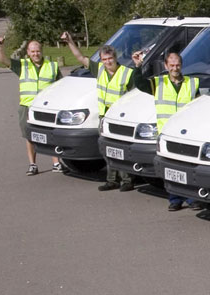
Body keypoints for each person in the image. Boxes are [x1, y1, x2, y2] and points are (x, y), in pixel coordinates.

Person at [62, 31, 147, 191]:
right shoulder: (100, 69)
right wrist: (70, 42)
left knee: (121, 149)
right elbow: (80, 58)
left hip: (121, 118)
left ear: (115, 58)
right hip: (104, 116)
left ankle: (127, 180)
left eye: (110, 59)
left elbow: (135, 95)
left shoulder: (126, 73)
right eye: (105, 59)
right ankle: (111, 180)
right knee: (108, 149)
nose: (108, 62)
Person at [133, 50, 199, 211]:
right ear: (166, 66)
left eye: (177, 65)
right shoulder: (158, 83)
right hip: (166, 134)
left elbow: (198, 107)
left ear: (181, 65)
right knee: (170, 170)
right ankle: (175, 199)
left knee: (188, 168)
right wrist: (138, 66)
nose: (175, 68)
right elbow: (140, 83)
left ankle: (192, 198)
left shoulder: (192, 83)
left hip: (186, 134)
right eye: (171, 65)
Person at [0, 35, 62, 175]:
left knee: (51, 134)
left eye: (37, 51)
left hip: (46, 108)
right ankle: (33, 164)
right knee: (29, 136)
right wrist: (0, 46)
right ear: (28, 53)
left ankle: (56, 163)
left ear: (41, 51)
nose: (35, 54)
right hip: (27, 107)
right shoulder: (22, 65)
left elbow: (61, 86)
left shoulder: (52, 66)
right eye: (32, 51)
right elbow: (3, 60)